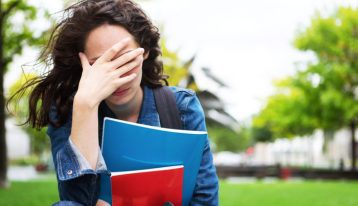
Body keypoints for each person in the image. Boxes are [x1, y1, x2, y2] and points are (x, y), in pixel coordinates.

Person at [9, 0, 219, 205]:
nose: (116, 77)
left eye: (125, 60)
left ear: (144, 51)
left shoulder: (182, 107)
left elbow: (206, 199)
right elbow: (76, 200)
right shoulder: (69, 110)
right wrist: (85, 106)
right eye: (100, 64)